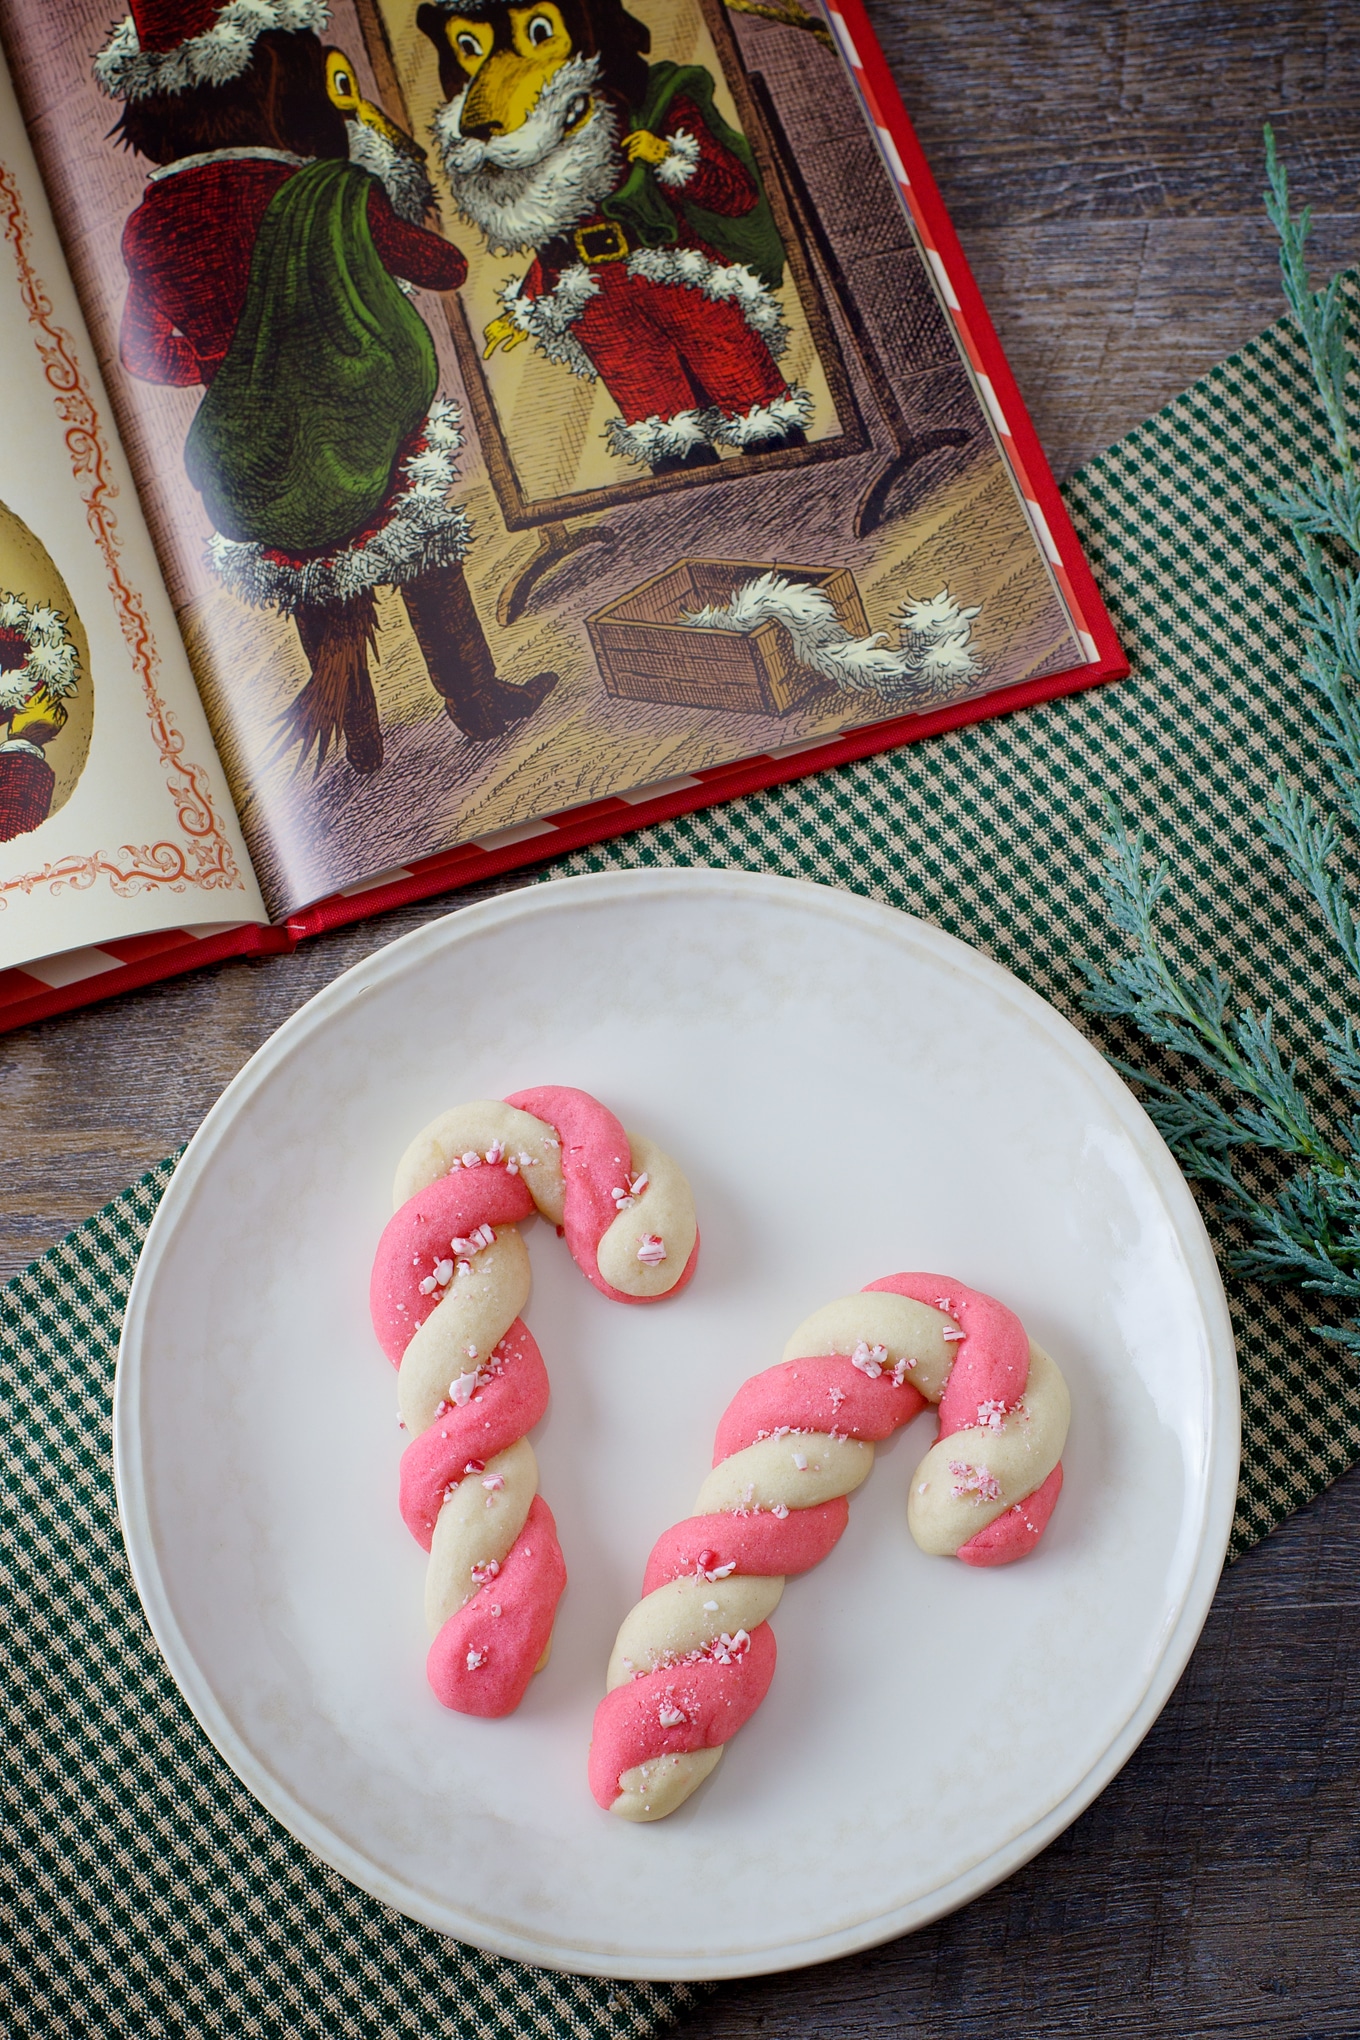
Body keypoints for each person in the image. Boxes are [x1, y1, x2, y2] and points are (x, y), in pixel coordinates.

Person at [96, 0, 557, 775]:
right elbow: (445, 266)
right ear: (277, 80)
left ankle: (362, 745)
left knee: (312, 575)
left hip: (252, 450)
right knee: (420, 552)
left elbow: (143, 358)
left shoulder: (147, 226)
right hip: (357, 426)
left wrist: (227, 364)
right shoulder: (322, 191)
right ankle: (477, 704)